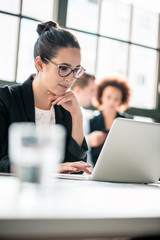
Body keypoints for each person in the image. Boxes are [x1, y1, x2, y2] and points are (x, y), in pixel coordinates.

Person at [0, 21, 92, 174]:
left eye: (76, 70)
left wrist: (77, 116)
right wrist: (49, 168)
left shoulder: (66, 108)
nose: (70, 79)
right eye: (63, 68)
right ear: (40, 64)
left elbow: (77, 170)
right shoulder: (6, 99)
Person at [88, 76, 133, 166]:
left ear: (121, 101)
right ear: (101, 97)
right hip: (95, 168)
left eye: (116, 99)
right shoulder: (91, 122)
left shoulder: (129, 122)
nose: (112, 101)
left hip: (122, 166)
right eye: (108, 97)